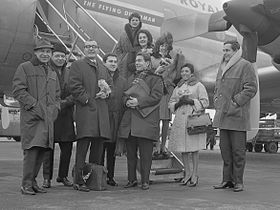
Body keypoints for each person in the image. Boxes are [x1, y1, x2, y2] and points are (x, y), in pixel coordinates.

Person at [12, 38, 60, 195]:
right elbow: (19, 90)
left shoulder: (52, 72)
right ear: (36, 52)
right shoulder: (24, 68)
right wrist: (34, 106)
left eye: (48, 52)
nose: (45, 54)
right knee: (31, 150)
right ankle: (25, 183)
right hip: (32, 118)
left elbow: (57, 95)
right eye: (42, 51)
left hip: (48, 119)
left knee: (42, 150)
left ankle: (33, 182)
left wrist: (55, 109)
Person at [213, 40, 257, 192]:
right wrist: (216, 100)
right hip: (223, 116)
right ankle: (227, 180)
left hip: (237, 115)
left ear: (236, 50)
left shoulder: (245, 65)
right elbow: (217, 87)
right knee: (225, 151)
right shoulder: (222, 66)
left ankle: (238, 181)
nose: (224, 53)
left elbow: (251, 88)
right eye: (223, 50)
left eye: (227, 50)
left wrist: (235, 103)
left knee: (238, 152)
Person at [69, 39, 111, 192]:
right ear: (84, 49)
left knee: (98, 149)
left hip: (101, 113)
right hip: (87, 112)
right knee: (83, 148)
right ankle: (78, 181)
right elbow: (74, 86)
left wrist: (107, 93)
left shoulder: (102, 68)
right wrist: (87, 99)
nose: (91, 49)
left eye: (94, 46)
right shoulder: (77, 65)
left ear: (98, 49)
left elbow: (110, 85)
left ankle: (94, 181)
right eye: (88, 47)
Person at [118, 52, 164, 190]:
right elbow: (123, 95)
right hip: (131, 121)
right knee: (130, 154)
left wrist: (138, 101)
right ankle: (131, 179)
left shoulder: (156, 79)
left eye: (140, 60)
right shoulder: (131, 78)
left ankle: (145, 180)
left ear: (148, 63)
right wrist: (127, 102)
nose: (137, 63)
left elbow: (156, 97)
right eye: (136, 61)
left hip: (146, 121)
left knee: (145, 155)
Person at [168, 63, 209, 187]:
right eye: (182, 71)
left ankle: (195, 174)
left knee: (194, 149)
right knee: (183, 149)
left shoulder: (198, 85)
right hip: (180, 120)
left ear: (191, 73)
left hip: (192, 120)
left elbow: (205, 102)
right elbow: (171, 101)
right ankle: (187, 173)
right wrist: (178, 104)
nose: (184, 73)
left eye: (186, 71)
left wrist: (192, 101)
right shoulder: (178, 87)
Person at [42, 43, 75, 188]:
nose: (60, 58)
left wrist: (64, 103)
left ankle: (63, 176)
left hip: (66, 113)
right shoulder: (45, 71)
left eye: (63, 56)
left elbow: (75, 91)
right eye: (57, 56)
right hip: (50, 114)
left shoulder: (70, 72)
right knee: (48, 149)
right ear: (52, 56)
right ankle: (46, 178)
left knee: (67, 147)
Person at [152, 33, 184, 158]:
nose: (163, 48)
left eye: (165, 45)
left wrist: (179, 58)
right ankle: (156, 144)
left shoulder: (173, 60)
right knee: (155, 119)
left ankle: (163, 145)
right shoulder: (152, 59)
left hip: (167, 91)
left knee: (166, 120)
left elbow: (177, 76)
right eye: (161, 45)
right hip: (156, 90)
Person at [100, 53, 127, 186]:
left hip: (116, 118)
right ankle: (98, 176)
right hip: (102, 117)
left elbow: (124, 97)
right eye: (110, 61)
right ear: (104, 63)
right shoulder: (99, 77)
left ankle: (110, 176)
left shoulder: (122, 80)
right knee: (99, 149)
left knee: (111, 150)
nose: (113, 63)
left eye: (115, 61)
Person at [113, 12, 142, 78]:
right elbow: (118, 48)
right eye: (133, 20)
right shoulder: (123, 34)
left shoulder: (142, 34)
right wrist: (119, 59)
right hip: (123, 60)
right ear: (129, 22)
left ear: (139, 22)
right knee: (121, 78)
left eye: (137, 20)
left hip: (135, 60)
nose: (135, 22)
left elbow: (148, 45)